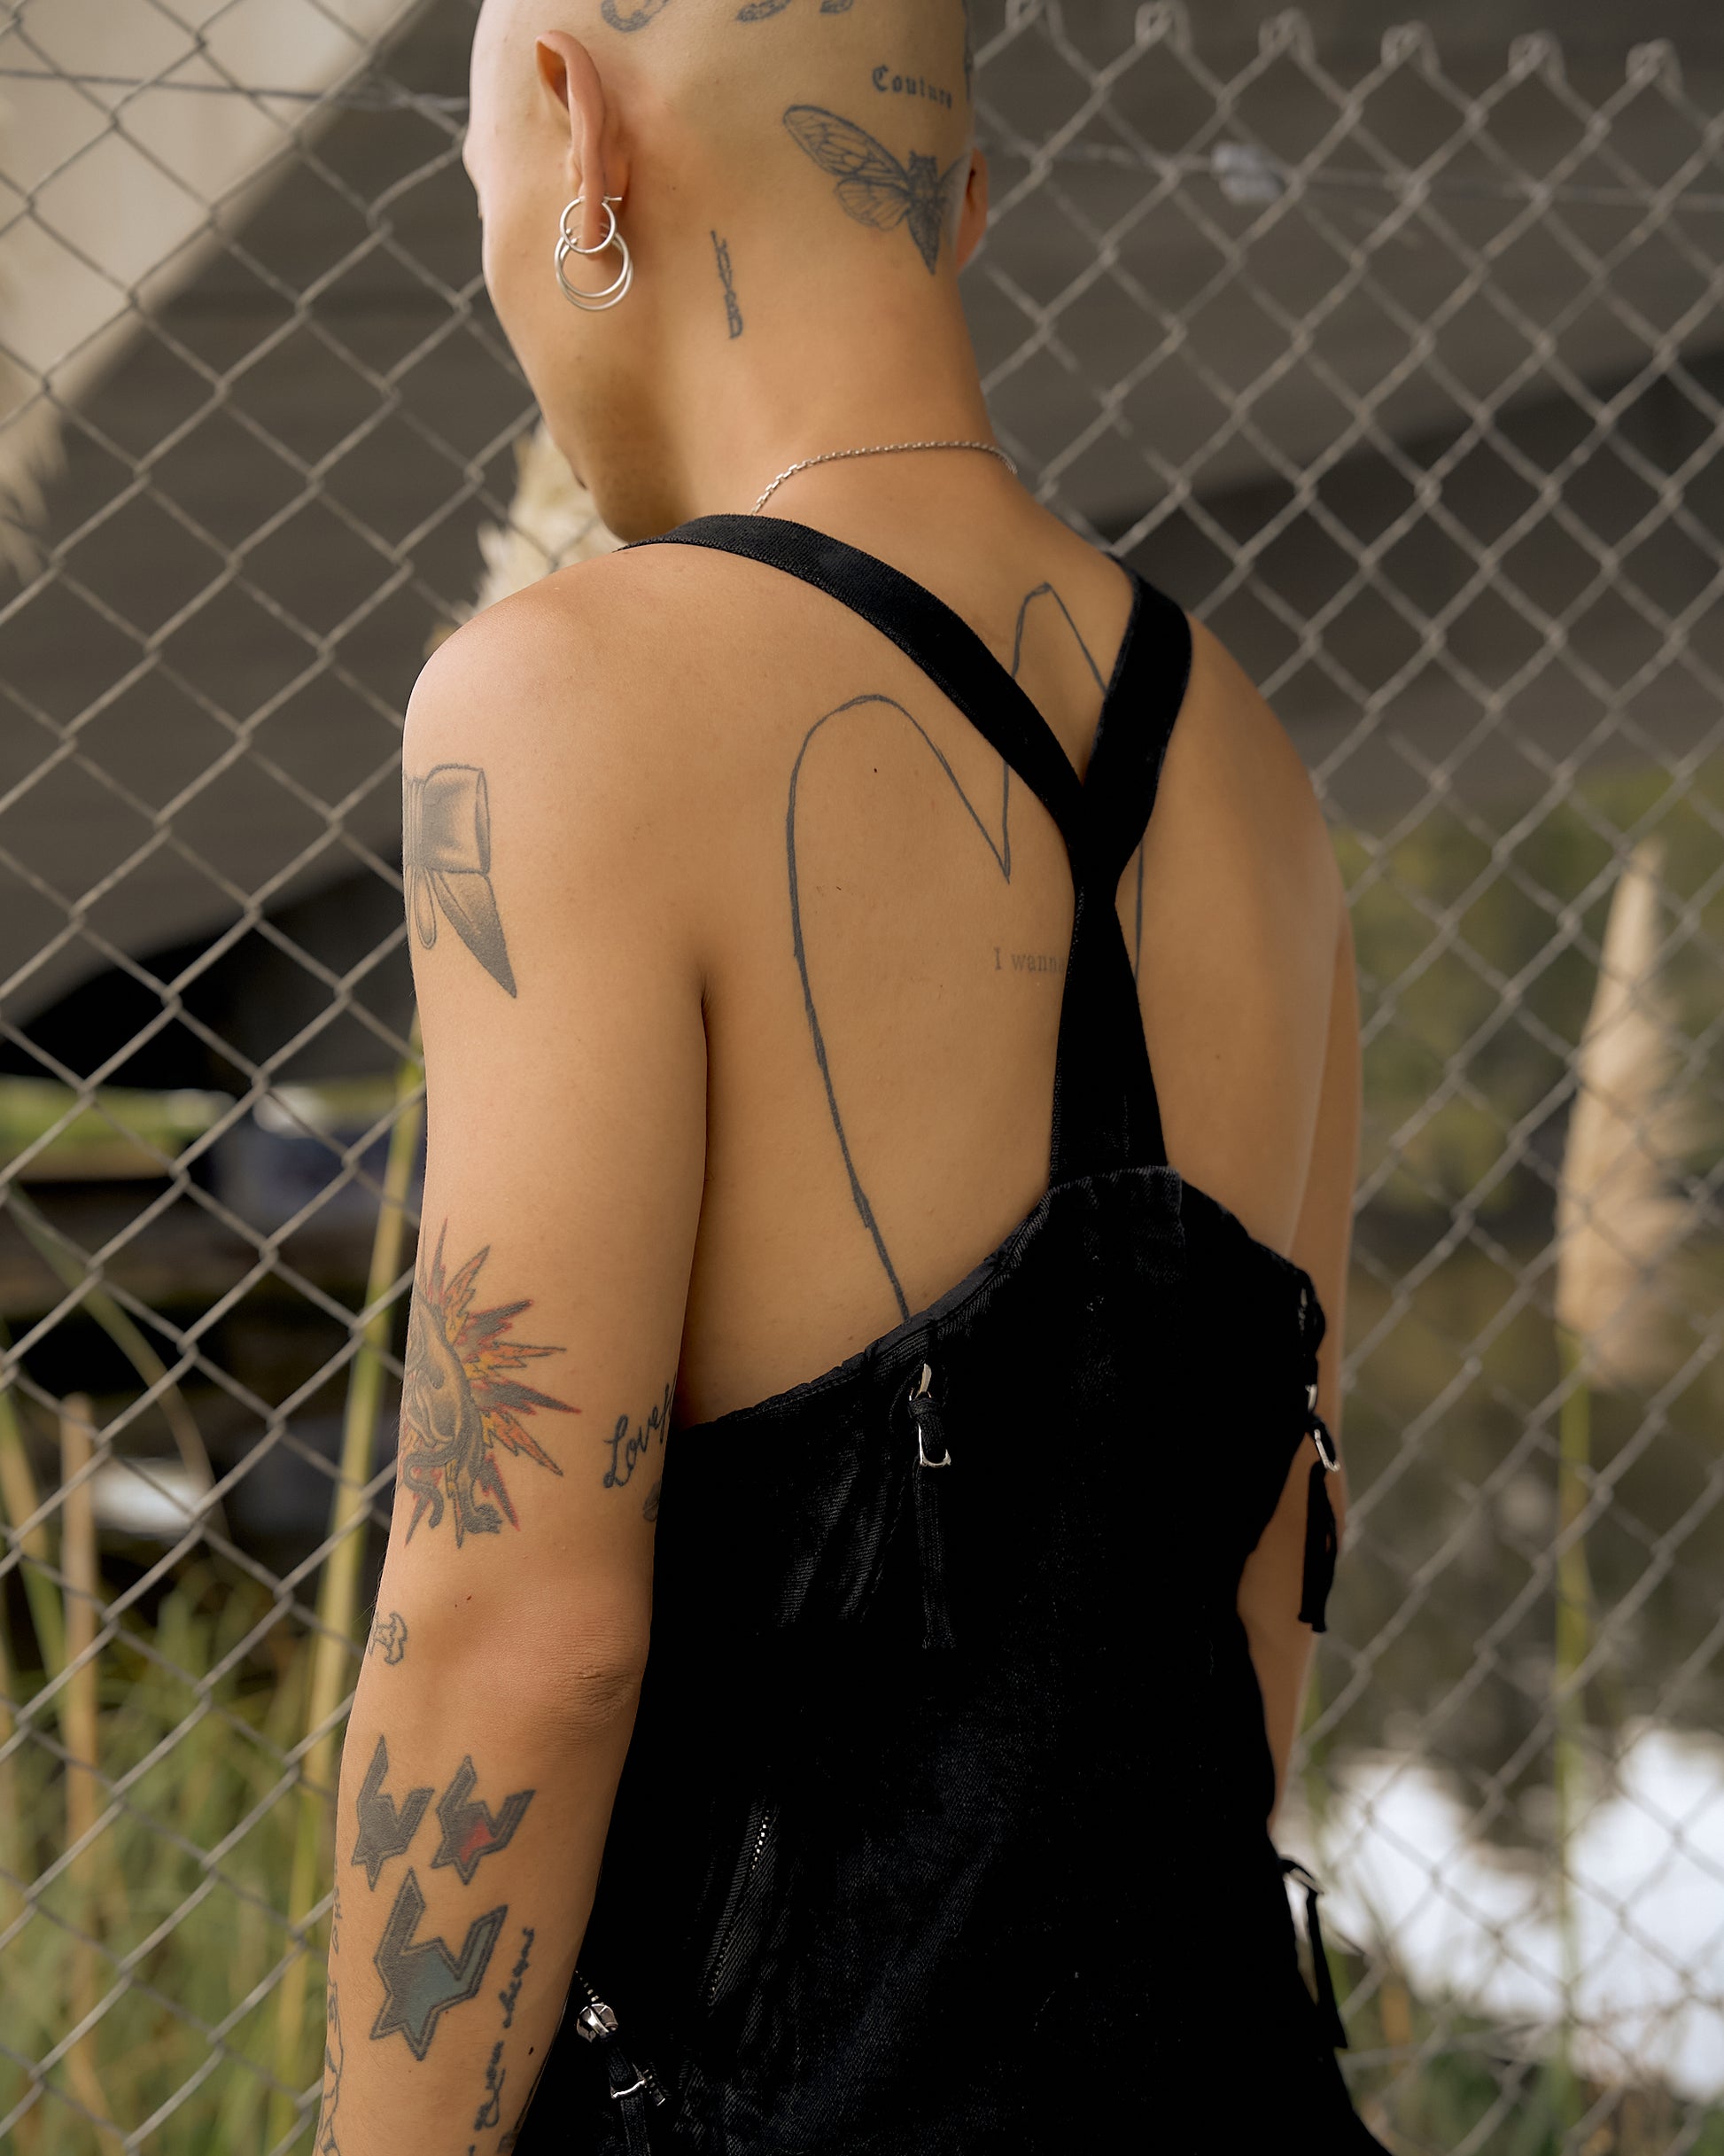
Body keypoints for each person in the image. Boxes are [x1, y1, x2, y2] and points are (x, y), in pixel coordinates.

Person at [315, 1, 1386, 2148]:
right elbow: (1257, 1580)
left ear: (573, 127)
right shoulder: (1247, 762)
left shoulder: (564, 700)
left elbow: (520, 1636)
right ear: (956, 206)